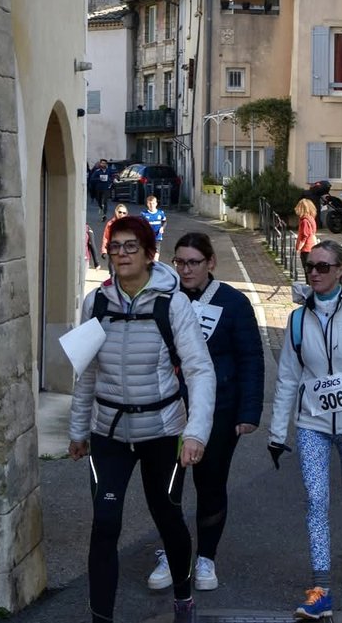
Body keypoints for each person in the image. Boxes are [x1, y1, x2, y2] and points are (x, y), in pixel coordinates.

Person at [68, 215, 217, 623]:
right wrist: (78, 430)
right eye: (115, 246)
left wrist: (195, 433)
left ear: (150, 253)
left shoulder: (174, 304)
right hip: (109, 431)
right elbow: (87, 372)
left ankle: (183, 598)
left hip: (163, 430)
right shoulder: (95, 302)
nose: (121, 254)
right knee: (104, 524)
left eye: (131, 246)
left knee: (167, 515)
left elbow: (200, 370)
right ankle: (102, 618)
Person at [269, 239, 342, 620]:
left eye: (323, 266)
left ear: (340, 271)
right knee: (316, 502)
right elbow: (288, 377)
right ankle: (321, 587)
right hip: (312, 424)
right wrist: (276, 433)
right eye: (310, 266)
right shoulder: (297, 320)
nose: (314, 273)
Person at [145, 232, 264, 592]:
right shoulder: (163, 300)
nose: (185, 269)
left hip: (220, 410)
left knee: (210, 484)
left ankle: (206, 556)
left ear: (211, 263)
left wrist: (249, 412)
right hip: (167, 408)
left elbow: (251, 359)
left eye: (193, 262)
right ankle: (171, 551)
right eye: (179, 262)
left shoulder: (233, 303)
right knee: (167, 487)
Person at [295, 198, 319, 276]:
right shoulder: (311, 219)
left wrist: (298, 248)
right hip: (312, 246)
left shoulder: (304, 221)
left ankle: (309, 286)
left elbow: (304, 236)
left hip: (306, 249)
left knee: (307, 271)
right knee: (311, 270)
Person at [141, 195, 168, 259]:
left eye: (153, 203)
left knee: (155, 258)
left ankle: (155, 266)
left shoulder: (160, 213)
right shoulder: (143, 214)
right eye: (150, 203)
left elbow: (165, 221)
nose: (151, 205)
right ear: (147, 204)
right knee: (148, 257)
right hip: (147, 238)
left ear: (156, 204)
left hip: (157, 237)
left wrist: (162, 228)